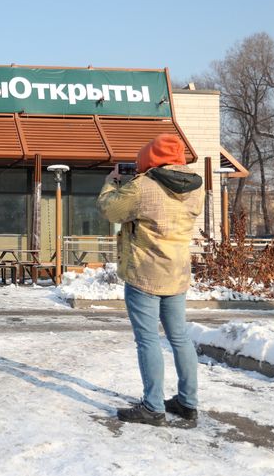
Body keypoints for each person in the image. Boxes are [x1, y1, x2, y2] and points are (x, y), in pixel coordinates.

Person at [96, 134, 205, 426]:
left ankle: (153, 406)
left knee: (147, 340)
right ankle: (187, 402)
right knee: (180, 338)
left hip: (145, 274)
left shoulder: (142, 187)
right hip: (178, 273)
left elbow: (109, 210)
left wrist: (112, 180)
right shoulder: (197, 189)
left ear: (150, 160)